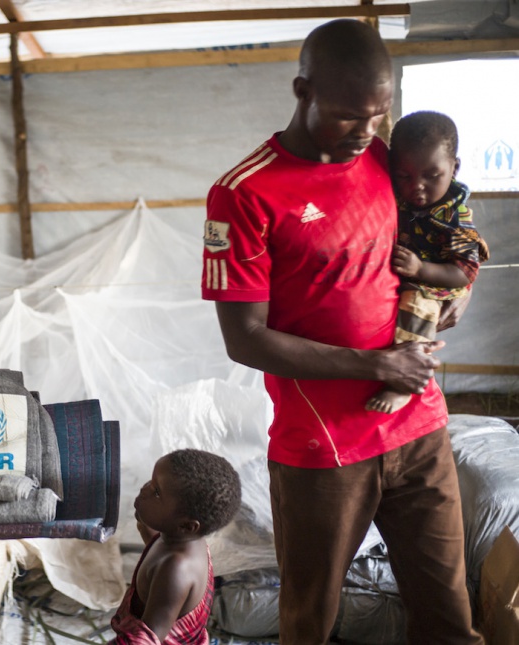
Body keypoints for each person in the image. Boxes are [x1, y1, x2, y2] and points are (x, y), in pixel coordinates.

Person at [201, 19, 483, 645]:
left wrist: (460, 286)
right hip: (323, 450)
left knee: (450, 616)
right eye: (350, 116)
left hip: (418, 425)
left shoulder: (389, 161)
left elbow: (448, 235)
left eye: (379, 116)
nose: (367, 133)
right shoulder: (244, 194)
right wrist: (380, 366)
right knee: (309, 619)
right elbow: (244, 338)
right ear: (303, 91)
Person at [366, 111, 489, 414]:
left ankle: (405, 383)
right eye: (404, 176)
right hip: (410, 273)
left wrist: (422, 270)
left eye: (431, 176)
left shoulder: (455, 221)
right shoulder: (400, 198)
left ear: (454, 168)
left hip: (437, 283)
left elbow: (464, 272)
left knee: (416, 308)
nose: (417, 187)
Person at [109, 449, 241, 645]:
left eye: (156, 492)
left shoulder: (176, 569)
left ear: (187, 525)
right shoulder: (180, 540)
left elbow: (147, 639)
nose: (144, 490)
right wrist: (145, 519)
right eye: (150, 482)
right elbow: (156, 547)